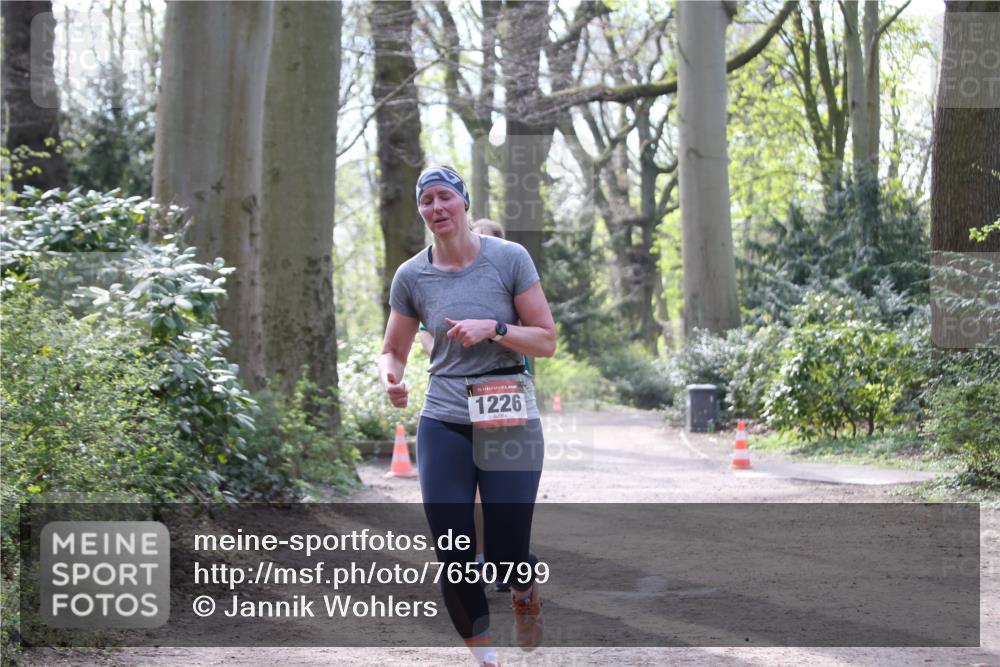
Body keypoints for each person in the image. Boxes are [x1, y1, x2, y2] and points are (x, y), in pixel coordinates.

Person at [378, 165, 556, 666]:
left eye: (445, 197)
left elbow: (546, 340)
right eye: (426, 200)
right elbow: (393, 349)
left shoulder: (509, 258)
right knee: (454, 552)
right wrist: (390, 377)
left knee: (505, 553)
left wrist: (494, 328)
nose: (436, 208)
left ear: (464, 201)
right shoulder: (412, 275)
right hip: (444, 418)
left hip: (508, 415)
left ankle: (524, 589)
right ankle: (486, 659)